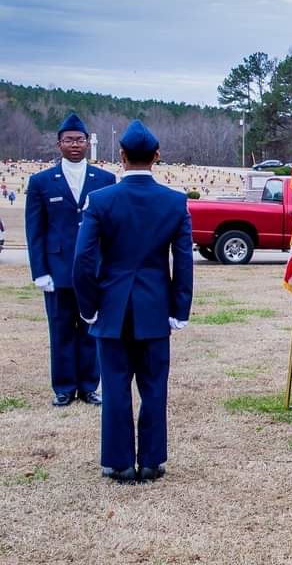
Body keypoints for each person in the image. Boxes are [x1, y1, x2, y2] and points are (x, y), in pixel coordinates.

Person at [72, 120, 193, 483]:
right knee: (154, 387)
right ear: (157, 156)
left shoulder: (101, 199)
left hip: (112, 306)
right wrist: (179, 309)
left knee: (115, 386)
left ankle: (119, 462)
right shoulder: (175, 201)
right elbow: (183, 261)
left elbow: (82, 260)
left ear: (121, 156)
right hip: (155, 306)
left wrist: (88, 305)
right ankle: (152, 461)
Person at [25, 112, 116, 407]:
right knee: (61, 330)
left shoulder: (105, 179)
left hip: (93, 270)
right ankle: (63, 387)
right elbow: (35, 230)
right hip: (58, 270)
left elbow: (111, 231)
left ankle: (90, 386)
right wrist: (40, 271)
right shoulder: (41, 181)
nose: (74, 144)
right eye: (68, 140)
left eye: (79, 139)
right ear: (58, 144)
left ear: (88, 142)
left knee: (92, 330)